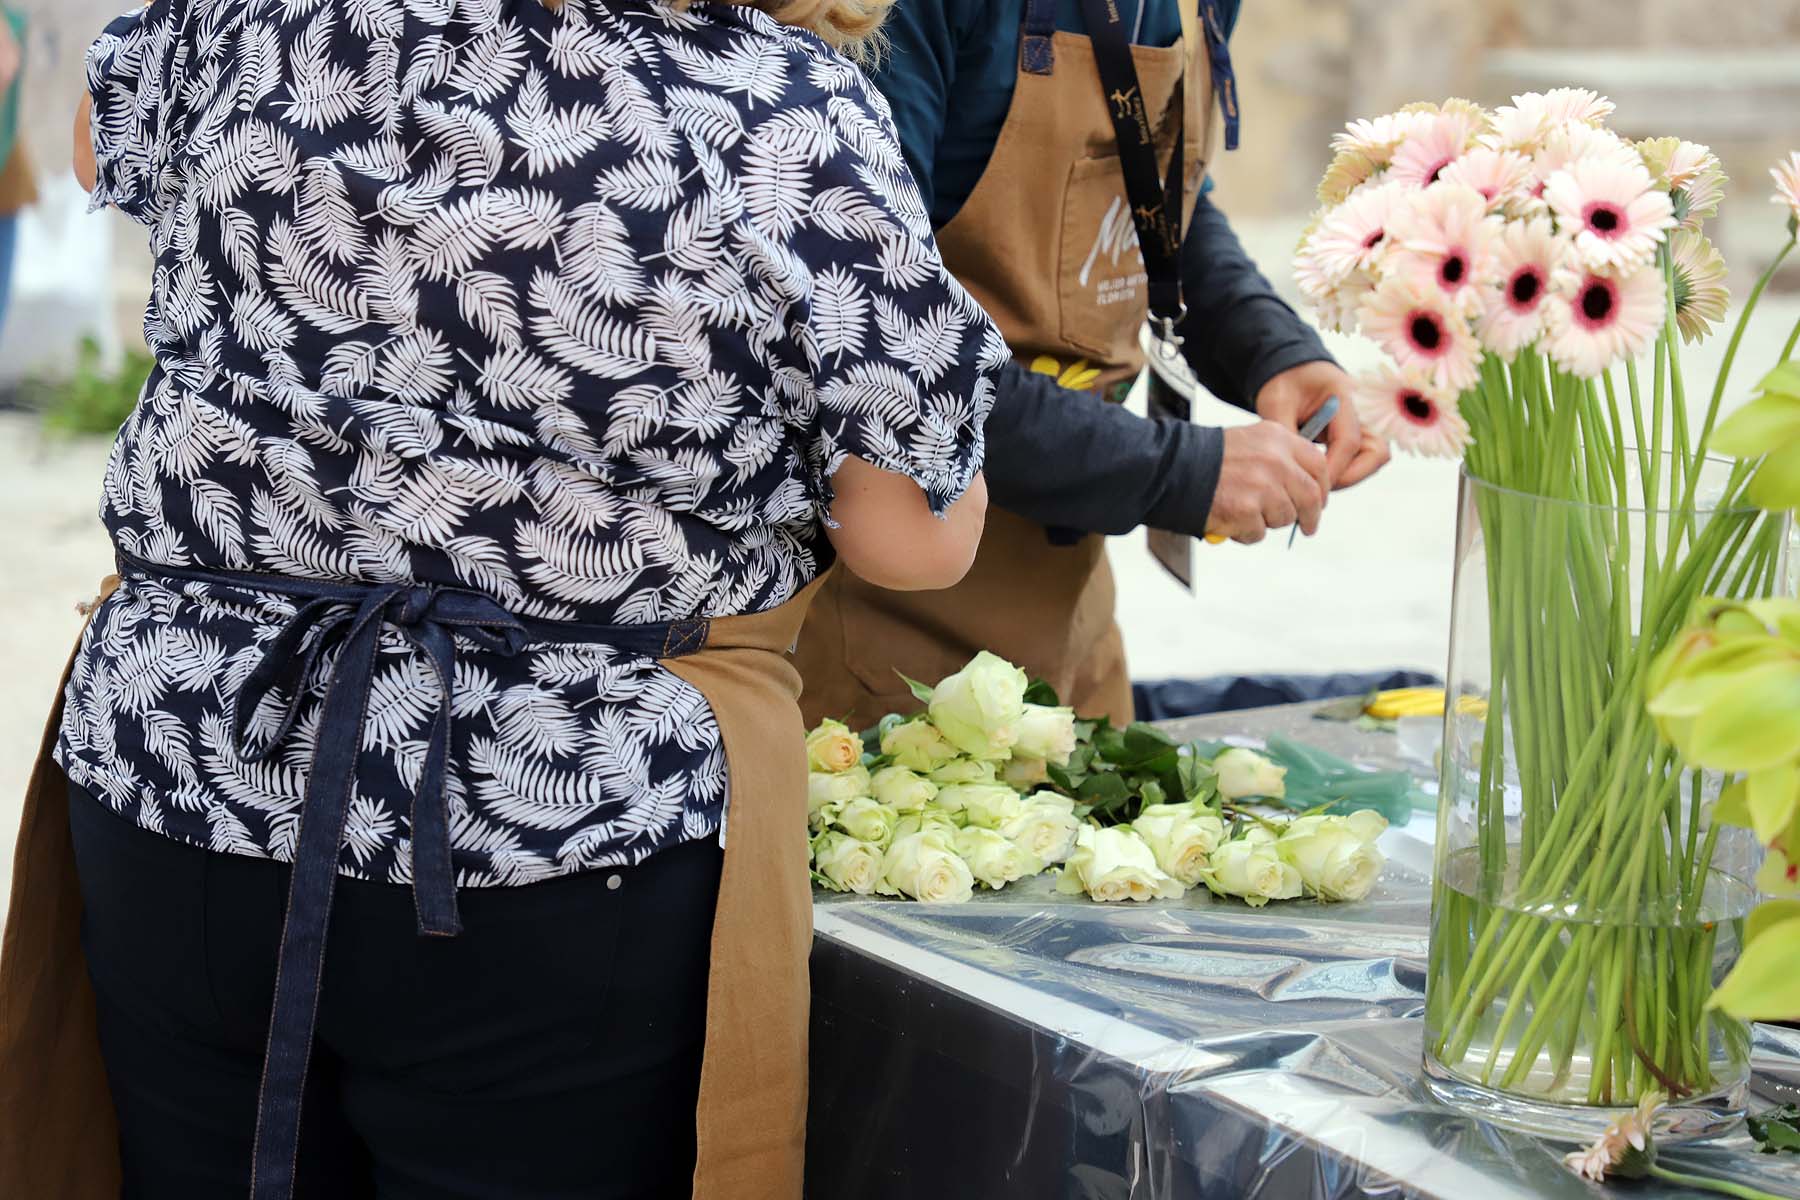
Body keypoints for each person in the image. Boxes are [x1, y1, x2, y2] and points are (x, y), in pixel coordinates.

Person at [0, 0, 993, 1195]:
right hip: (553, 832)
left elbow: (95, 150)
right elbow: (912, 538)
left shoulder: (231, 23)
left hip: (187, 771)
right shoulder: (779, 105)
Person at [793, 0, 1392, 729]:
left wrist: (1272, 350)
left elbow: (1162, 198)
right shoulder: (897, 13)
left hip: (1075, 615)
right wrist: (1180, 471)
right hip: (883, 625)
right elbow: (890, 352)